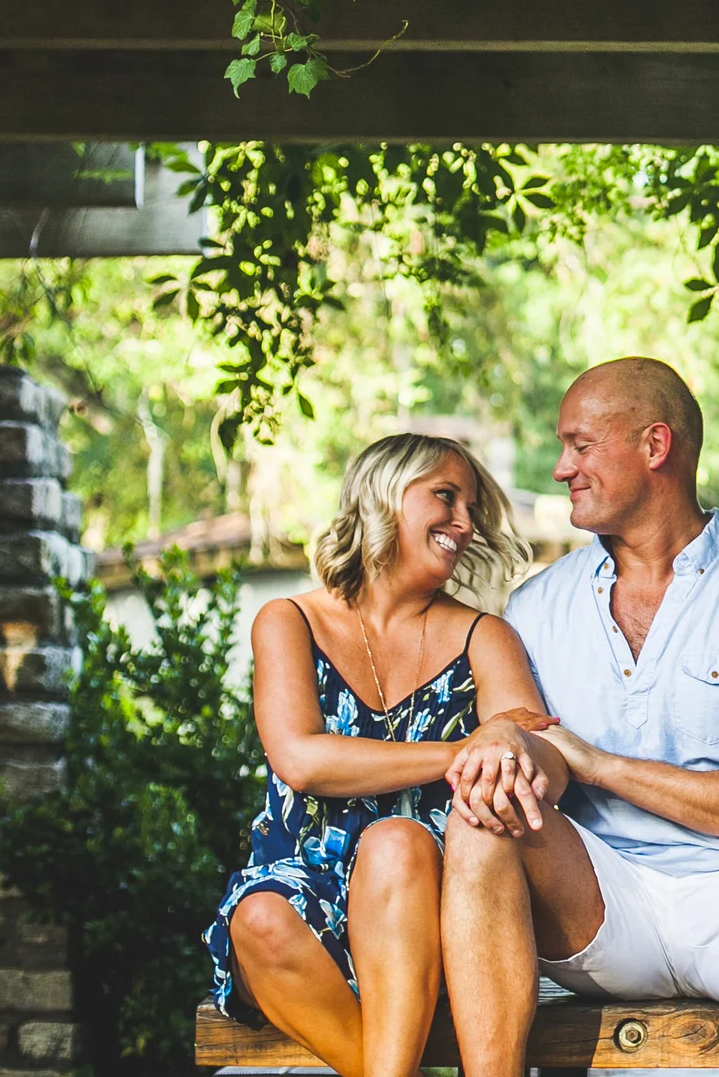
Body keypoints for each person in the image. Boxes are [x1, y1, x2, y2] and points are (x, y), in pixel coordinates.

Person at [437, 358, 719, 1077]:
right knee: (483, 811)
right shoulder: (536, 607)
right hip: (598, 898)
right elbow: (540, 763)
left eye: (581, 445)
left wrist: (602, 765)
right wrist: (511, 745)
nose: (562, 469)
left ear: (655, 446)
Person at [206, 433, 549, 1077]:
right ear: (383, 497)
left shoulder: (485, 637)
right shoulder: (289, 621)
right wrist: (459, 751)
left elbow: (527, 751)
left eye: (471, 508)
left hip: (431, 909)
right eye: (444, 497)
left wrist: (505, 741)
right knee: (258, 919)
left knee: (396, 842)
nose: (464, 522)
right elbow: (303, 761)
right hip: (307, 885)